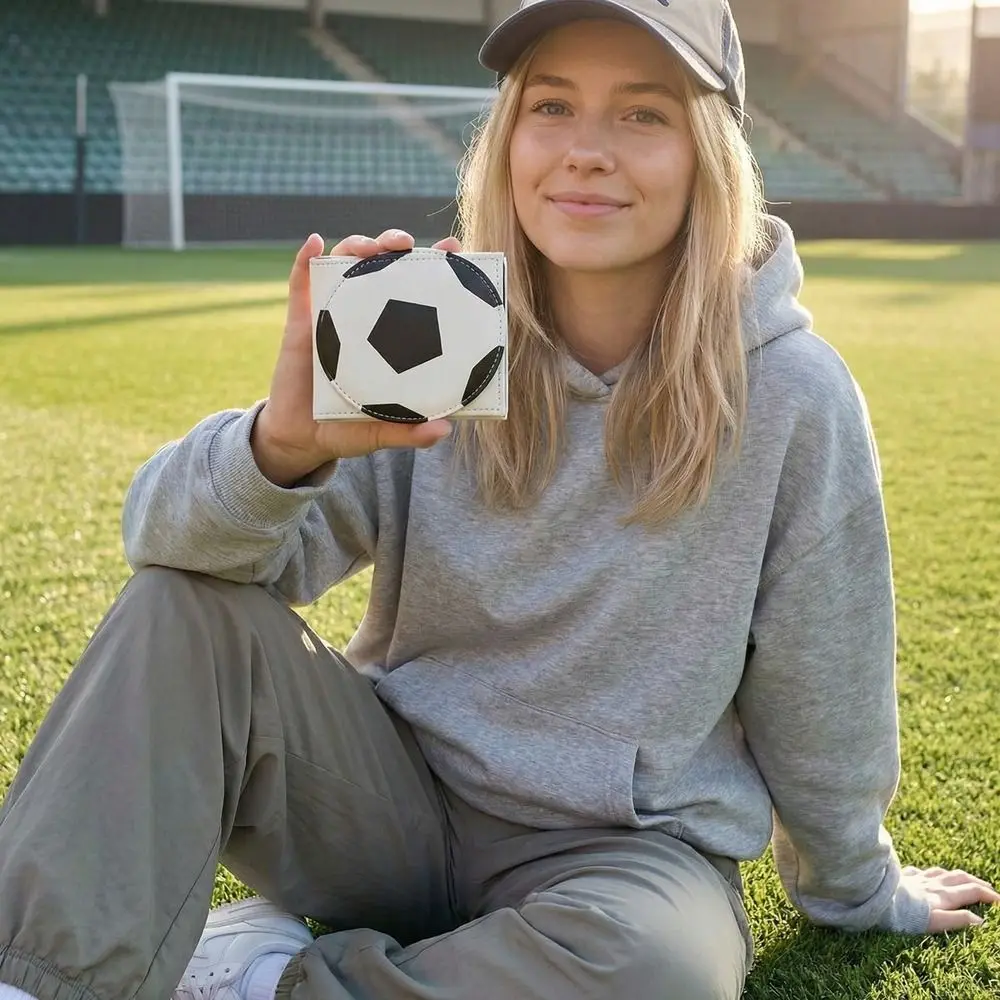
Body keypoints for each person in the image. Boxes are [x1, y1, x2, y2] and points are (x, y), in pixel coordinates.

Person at [1, 1, 998, 999]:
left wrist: (856, 884)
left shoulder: (791, 392)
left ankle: (263, 979)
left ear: (708, 153)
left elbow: (824, 687)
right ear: (508, 137)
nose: (586, 150)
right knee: (178, 606)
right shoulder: (432, 328)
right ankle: (36, 982)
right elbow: (176, 553)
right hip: (383, 810)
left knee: (664, 970)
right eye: (551, 106)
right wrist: (279, 447)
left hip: (617, 855)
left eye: (643, 114)